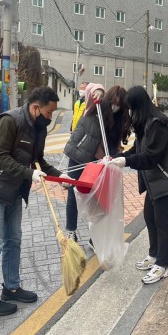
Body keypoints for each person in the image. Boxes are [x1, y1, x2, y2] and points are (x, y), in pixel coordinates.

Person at [0, 86, 69, 316]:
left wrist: (59, 175)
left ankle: (11, 288)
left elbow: (38, 161)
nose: (51, 117)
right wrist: (29, 174)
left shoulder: (39, 128)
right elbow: (0, 157)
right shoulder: (10, 121)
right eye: (49, 112)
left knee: (13, 240)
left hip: (13, 191)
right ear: (36, 107)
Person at [110, 86, 168, 284]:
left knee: (162, 221)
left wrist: (126, 162)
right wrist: (118, 157)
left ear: (138, 106)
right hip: (157, 181)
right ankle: (154, 254)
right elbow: (137, 149)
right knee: (150, 216)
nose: (128, 112)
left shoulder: (158, 124)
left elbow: (150, 157)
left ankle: (163, 265)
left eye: (130, 108)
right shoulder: (145, 123)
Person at [63, 83, 106, 246]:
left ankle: (94, 237)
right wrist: (99, 90)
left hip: (95, 161)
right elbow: (93, 89)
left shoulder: (105, 114)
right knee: (73, 195)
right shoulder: (89, 107)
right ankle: (71, 232)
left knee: (95, 197)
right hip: (78, 156)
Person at [100, 85, 131, 155]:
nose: (114, 106)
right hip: (96, 153)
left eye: (118, 104)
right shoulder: (100, 109)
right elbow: (89, 92)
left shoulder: (122, 116)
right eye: (112, 103)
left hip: (111, 153)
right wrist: (98, 89)